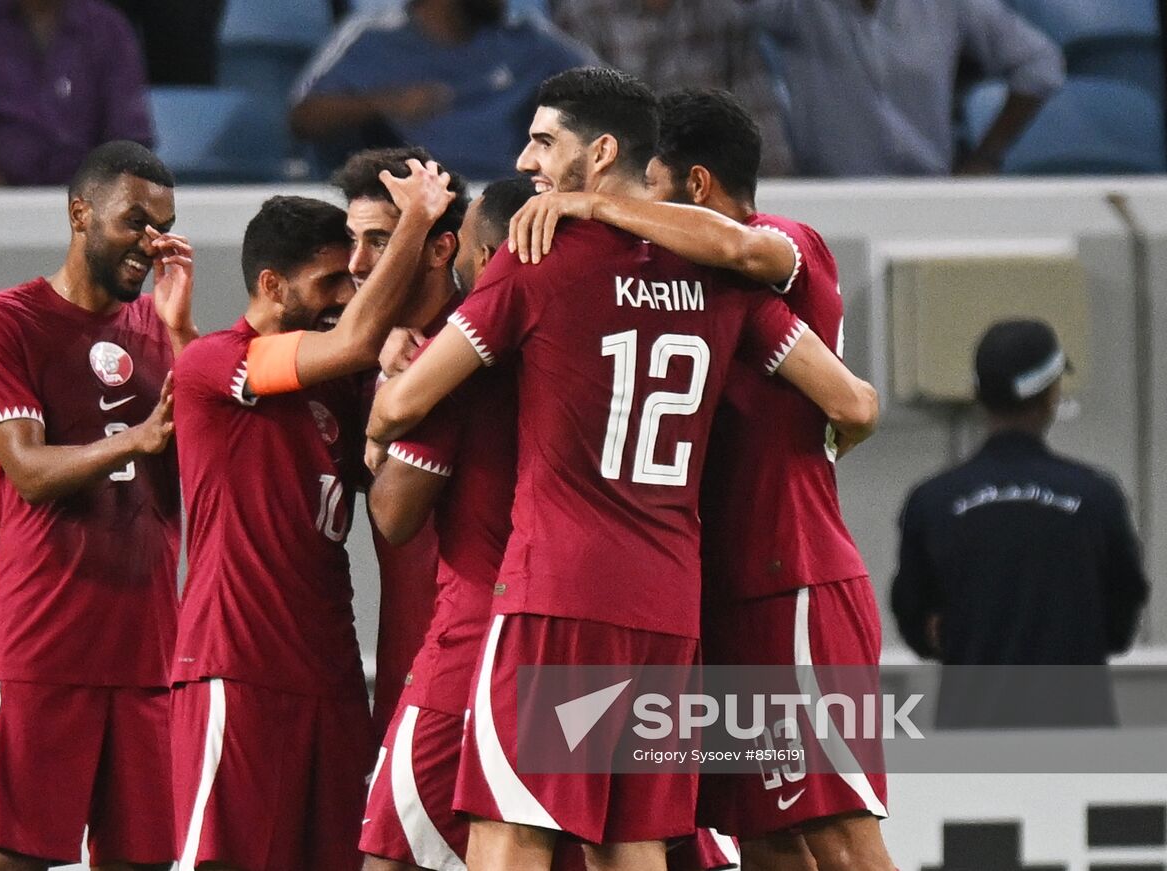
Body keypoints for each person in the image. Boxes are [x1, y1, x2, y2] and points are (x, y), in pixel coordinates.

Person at [367, 67, 880, 871]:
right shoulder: (722, 277)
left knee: (513, 828)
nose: (529, 160)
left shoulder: (540, 259)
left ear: (601, 152)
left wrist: (393, 390)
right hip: (673, 599)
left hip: (560, 592)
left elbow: (401, 415)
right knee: (634, 840)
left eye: (543, 141)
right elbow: (854, 402)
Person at [506, 86, 894, 871]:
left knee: (841, 834)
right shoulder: (694, 292)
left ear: (695, 189)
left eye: (647, 191)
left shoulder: (782, 243)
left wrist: (597, 208)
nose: (637, 212)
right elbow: (849, 412)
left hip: (793, 581)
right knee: (769, 835)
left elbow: (855, 402)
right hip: (720, 588)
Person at [168, 162, 457, 871]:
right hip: (236, 667)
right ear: (272, 286)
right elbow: (348, 341)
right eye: (330, 281)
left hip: (330, 678)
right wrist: (415, 222)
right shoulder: (217, 360)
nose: (345, 294)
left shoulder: (342, 387)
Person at [0, 140, 195, 871]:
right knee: (11, 860)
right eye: (134, 221)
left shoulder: (166, 334)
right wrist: (141, 437)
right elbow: (26, 469)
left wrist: (183, 333)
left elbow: (210, 475)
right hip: (43, 647)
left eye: (164, 225)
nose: (151, 242)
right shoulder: (2, 321)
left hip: (151, 653)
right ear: (79, 212)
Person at [358, 175, 535, 871]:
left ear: (482, 252)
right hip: (613, 630)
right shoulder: (599, 344)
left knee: (391, 857)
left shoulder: (462, 363)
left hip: (480, 641)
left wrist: (383, 425)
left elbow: (395, 514)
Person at [892, 319, 1150, 728]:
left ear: (979, 394)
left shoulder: (933, 502)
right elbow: (1121, 624)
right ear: (1051, 395)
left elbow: (916, 626)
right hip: (1079, 740)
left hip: (972, 740)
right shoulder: (1098, 497)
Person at [330, 146, 470, 741]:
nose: (357, 264)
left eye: (380, 241)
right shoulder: (348, 357)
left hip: (479, 671)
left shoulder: (480, 346)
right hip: (404, 671)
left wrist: (390, 406)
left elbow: (393, 517)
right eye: (351, 239)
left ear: (441, 248)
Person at [736, 0, 1064, 176]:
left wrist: (987, 156)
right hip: (832, 196)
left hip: (928, 192)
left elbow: (1040, 64)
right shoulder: (798, 6)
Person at [289, 0, 593, 179]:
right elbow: (304, 117)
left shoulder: (525, 39)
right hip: (412, 202)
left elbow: (605, 93)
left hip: (507, 198)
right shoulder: (374, 37)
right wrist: (387, 102)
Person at [0, 0, 153, 186]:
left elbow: (126, 148)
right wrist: (17, 221)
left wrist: (85, 220)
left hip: (88, 222)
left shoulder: (110, 29)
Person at [551, 0, 793, 176]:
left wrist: (773, 193)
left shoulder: (723, 12)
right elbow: (584, 126)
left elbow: (761, 120)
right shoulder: (584, 14)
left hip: (711, 185)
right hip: (625, 189)